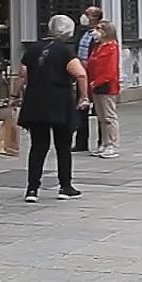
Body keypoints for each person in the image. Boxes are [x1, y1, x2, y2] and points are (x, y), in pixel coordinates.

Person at [12, 15, 89, 202]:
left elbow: (22, 75)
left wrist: (14, 96)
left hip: (36, 99)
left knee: (38, 146)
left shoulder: (33, 49)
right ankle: (65, 186)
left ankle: (32, 189)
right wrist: (84, 97)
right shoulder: (65, 51)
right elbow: (80, 74)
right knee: (63, 145)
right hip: (60, 101)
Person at [86, 21, 121, 158]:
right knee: (101, 117)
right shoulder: (97, 47)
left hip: (106, 85)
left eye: (99, 29)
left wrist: (97, 81)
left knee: (109, 117)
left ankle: (113, 144)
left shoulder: (111, 47)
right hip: (96, 85)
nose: (95, 31)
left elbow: (110, 70)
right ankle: (105, 143)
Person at [72, 6, 103, 152]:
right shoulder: (82, 32)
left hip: (95, 75)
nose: (84, 17)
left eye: (87, 14)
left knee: (100, 110)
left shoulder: (101, 33)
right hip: (82, 74)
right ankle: (81, 142)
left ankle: (103, 141)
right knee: (81, 108)